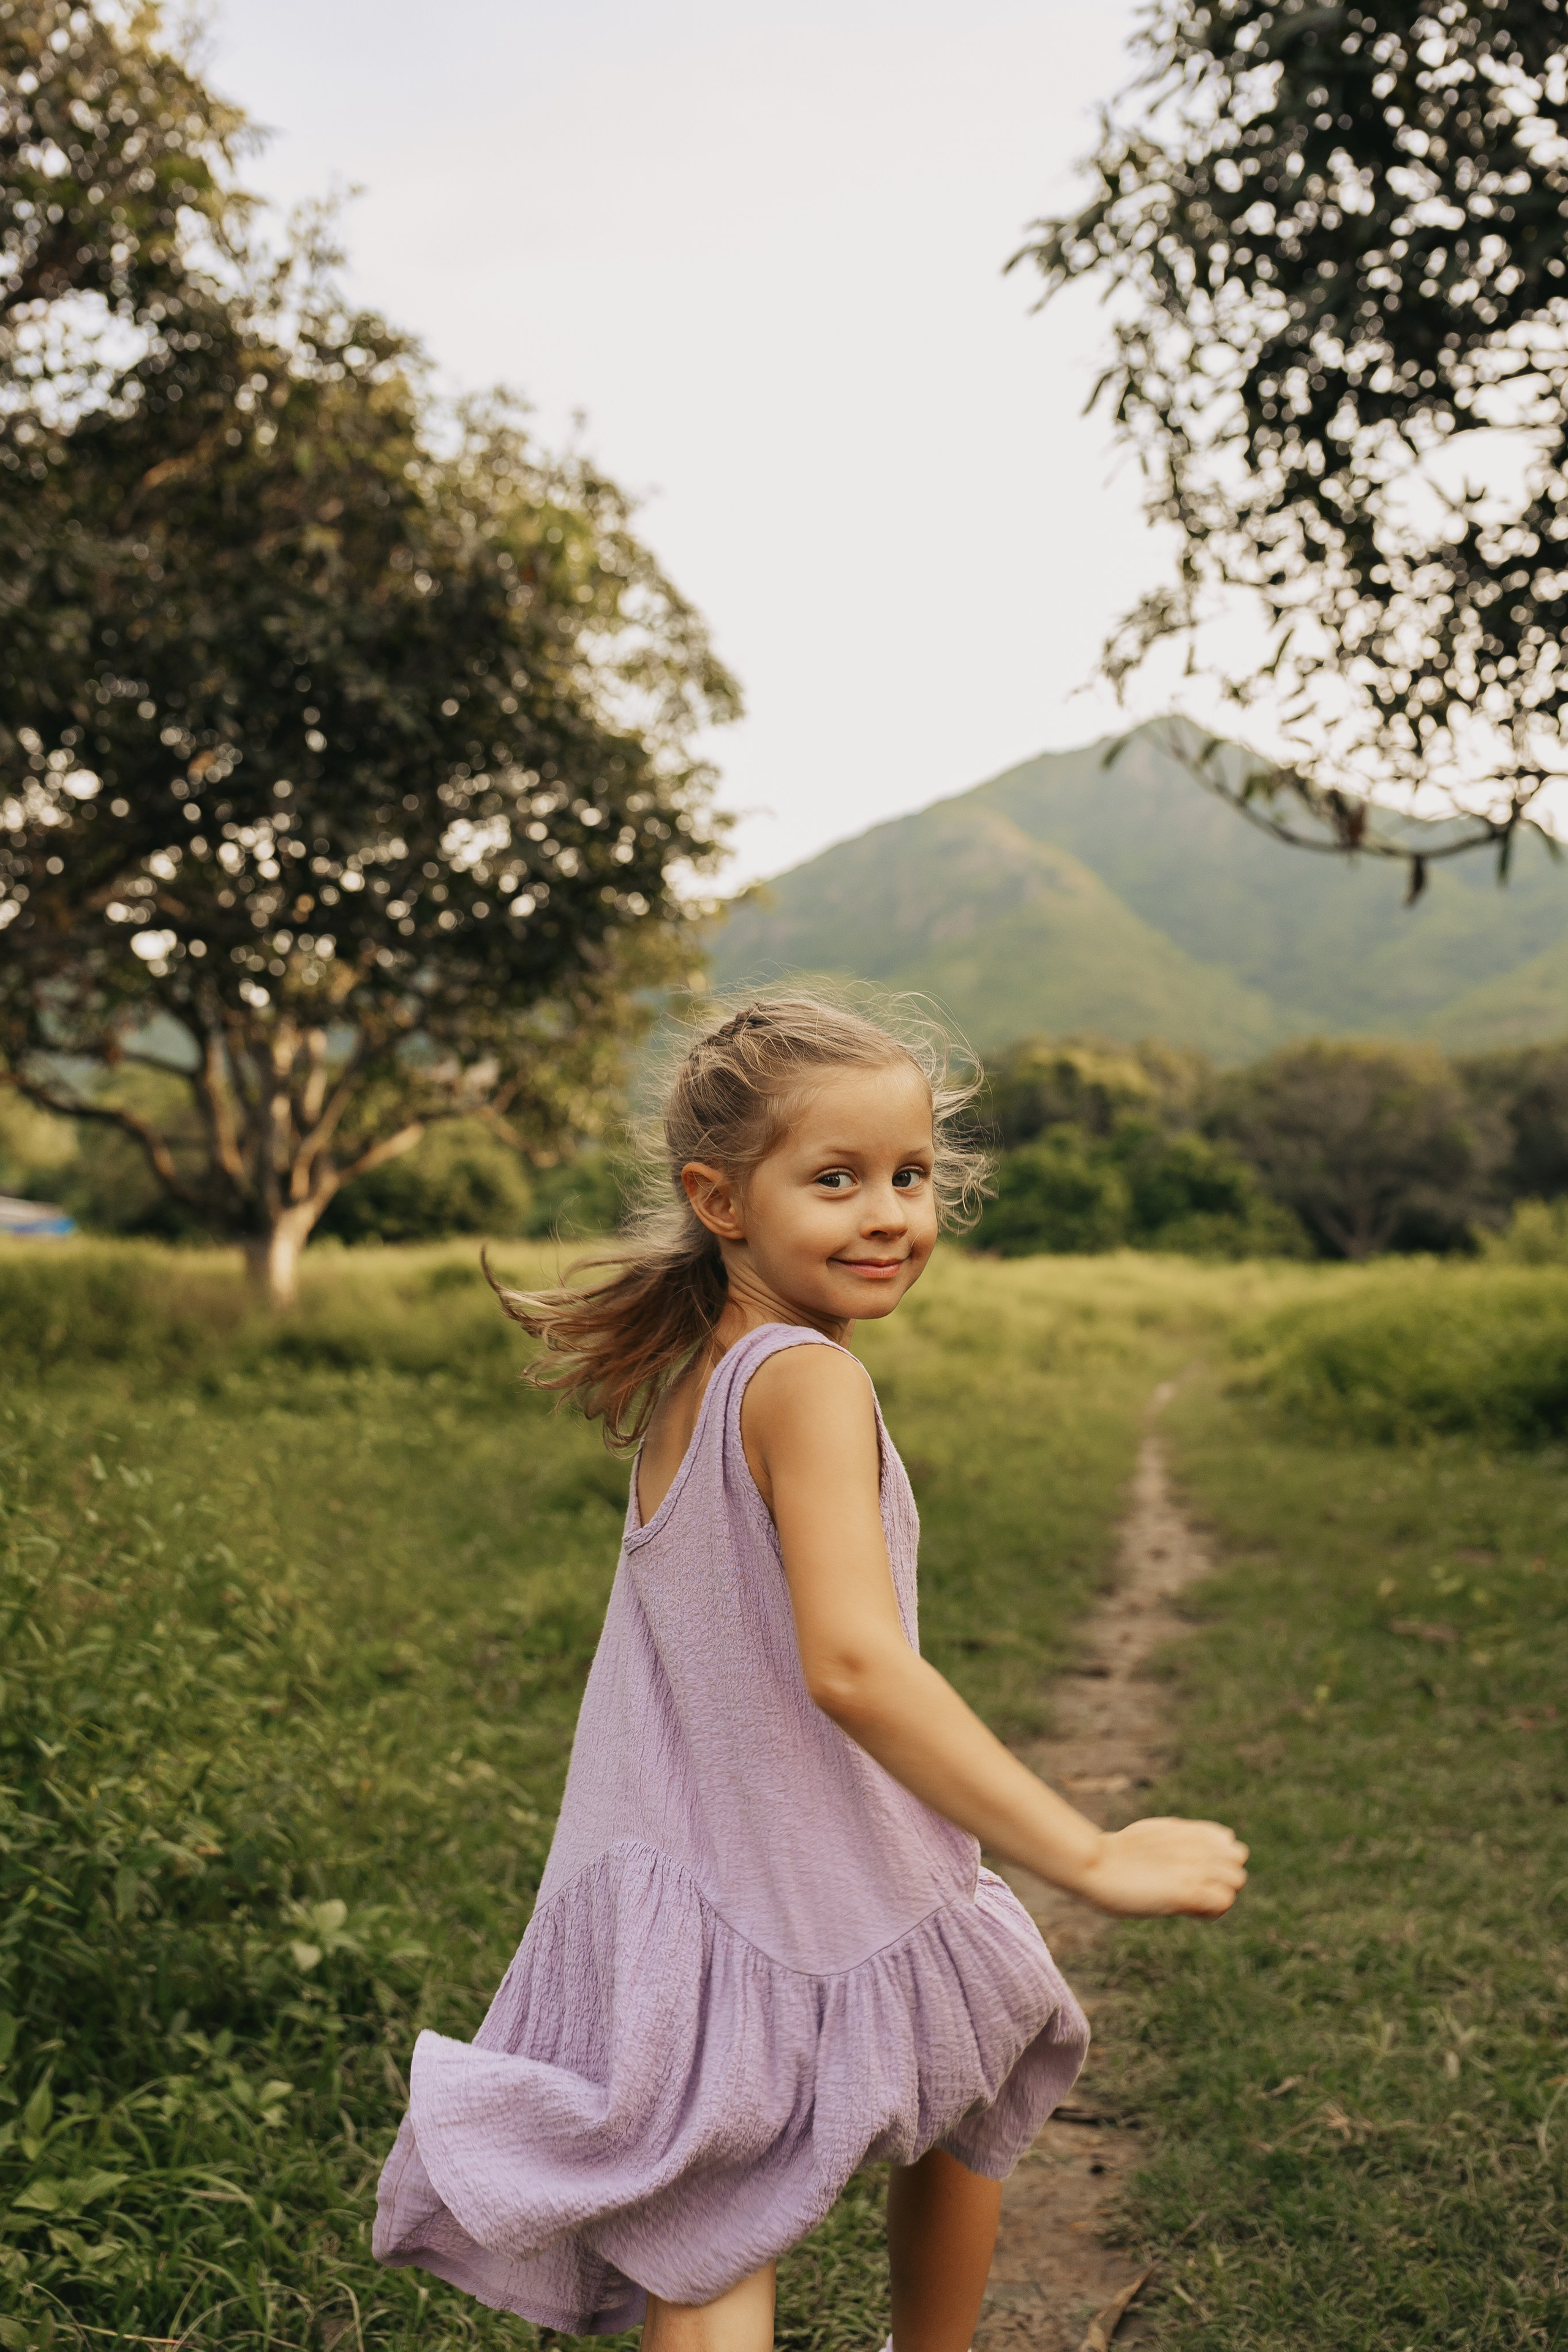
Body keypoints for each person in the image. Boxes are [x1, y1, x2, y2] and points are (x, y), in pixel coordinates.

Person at [374, 993, 1248, 2352]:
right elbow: (852, 1665)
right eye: (833, 1180)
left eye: (909, 1176)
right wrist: (1090, 1855)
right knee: (892, 2121)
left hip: (710, 1876)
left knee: (865, 2126)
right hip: (772, 1884)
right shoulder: (805, 1381)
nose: (887, 1213)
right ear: (718, 1200)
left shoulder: (707, 1374)